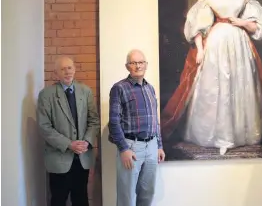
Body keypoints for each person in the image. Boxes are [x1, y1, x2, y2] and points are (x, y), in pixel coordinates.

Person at [160, 0, 262, 155]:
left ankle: (239, 133)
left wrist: (242, 23)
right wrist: (201, 50)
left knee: (239, 83)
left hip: (239, 44)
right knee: (214, 85)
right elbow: (198, 27)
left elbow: (256, 26)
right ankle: (215, 133)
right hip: (216, 43)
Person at [37, 56, 100, 206]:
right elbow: (44, 127)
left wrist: (87, 141)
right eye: (62, 69)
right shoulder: (46, 95)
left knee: (81, 199)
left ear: (75, 69)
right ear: (55, 73)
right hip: (59, 159)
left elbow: (94, 120)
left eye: (69, 68)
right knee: (58, 199)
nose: (67, 72)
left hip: (82, 158)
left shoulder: (85, 91)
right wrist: (69, 144)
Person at [108, 49, 166, 206]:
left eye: (141, 62)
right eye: (134, 63)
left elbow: (155, 120)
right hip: (131, 147)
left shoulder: (150, 88)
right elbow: (114, 122)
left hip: (152, 147)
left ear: (146, 65)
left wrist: (159, 146)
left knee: (147, 194)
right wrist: (123, 149)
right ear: (127, 66)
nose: (138, 66)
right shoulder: (119, 88)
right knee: (127, 197)